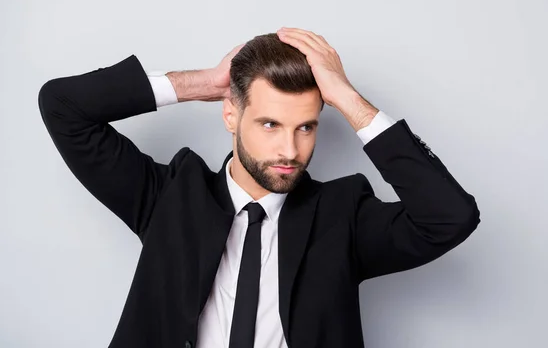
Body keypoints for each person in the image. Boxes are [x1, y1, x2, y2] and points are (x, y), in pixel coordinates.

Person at [38, 27, 481, 348]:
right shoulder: (167, 197)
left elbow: (450, 217)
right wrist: (205, 83)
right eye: (270, 124)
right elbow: (63, 106)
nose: (290, 150)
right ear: (231, 115)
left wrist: (346, 98)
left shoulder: (342, 217)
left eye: (306, 127)